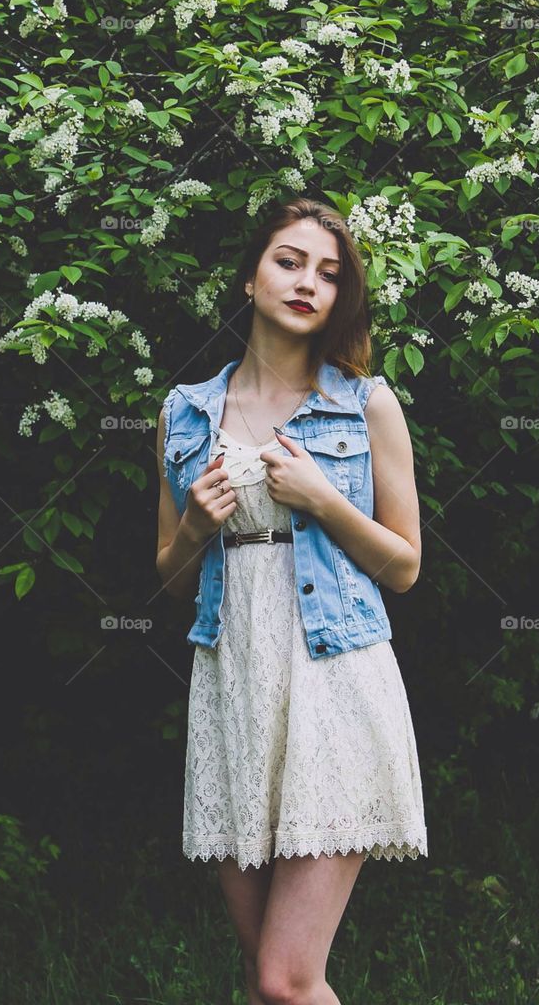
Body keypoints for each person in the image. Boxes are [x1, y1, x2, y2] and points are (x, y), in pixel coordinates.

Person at [155, 197, 427, 1005]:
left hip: (335, 681)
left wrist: (322, 499)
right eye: (289, 260)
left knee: (285, 979)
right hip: (236, 685)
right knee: (263, 977)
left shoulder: (365, 403)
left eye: (329, 273)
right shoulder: (184, 412)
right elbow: (169, 578)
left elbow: (405, 566)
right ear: (249, 277)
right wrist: (198, 525)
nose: (308, 281)